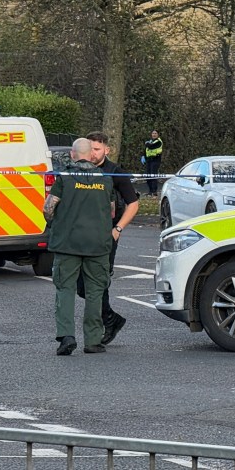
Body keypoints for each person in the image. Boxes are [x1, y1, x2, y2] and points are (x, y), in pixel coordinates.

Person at [45, 138, 114, 356]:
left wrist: (55, 222)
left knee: (65, 289)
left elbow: (48, 208)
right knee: (95, 292)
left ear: (73, 154)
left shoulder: (64, 178)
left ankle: (66, 337)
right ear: (91, 155)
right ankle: (93, 340)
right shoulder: (105, 179)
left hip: (67, 243)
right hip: (97, 244)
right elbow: (111, 211)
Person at [75, 132, 140, 345]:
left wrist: (118, 228)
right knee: (81, 286)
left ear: (106, 150)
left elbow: (133, 203)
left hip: (106, 234)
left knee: (99, 281)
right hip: (82, 234)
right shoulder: (79, 170)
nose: (93, 153)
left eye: (97, 149)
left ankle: (107, 321)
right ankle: (111, 318)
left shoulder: (115, 173)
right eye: (90, 148)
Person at [144, 130, 163, 195]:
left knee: (153, 176)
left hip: (155, 160)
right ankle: (150, 191)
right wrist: (144, 157)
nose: (154, 134)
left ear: (158, 135)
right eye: (153, 133)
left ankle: (154, 192)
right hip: (149, 160)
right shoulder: (150, 141)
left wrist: (147, 144)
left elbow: (151, 146)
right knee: (147, 176)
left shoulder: (158, 142)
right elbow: (146, 150)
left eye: (155, 133)